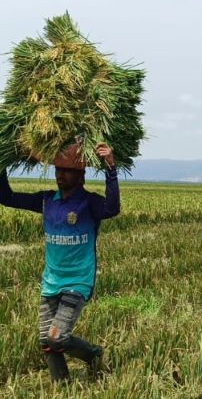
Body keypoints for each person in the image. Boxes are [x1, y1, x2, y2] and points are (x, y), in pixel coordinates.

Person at [0, 143, 119, 383]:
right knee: (47, 343)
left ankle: (93, 354)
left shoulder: (90, 203)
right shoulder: (47, 201)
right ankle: (62, 386)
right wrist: (2, 162)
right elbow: (6, 197)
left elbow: (112, 208)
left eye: (67, 170)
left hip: (78, 281)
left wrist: (111, 168)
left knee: (57, 338)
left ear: (81, 174)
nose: (60, 174)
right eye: (58, 169)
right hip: (51, 282)